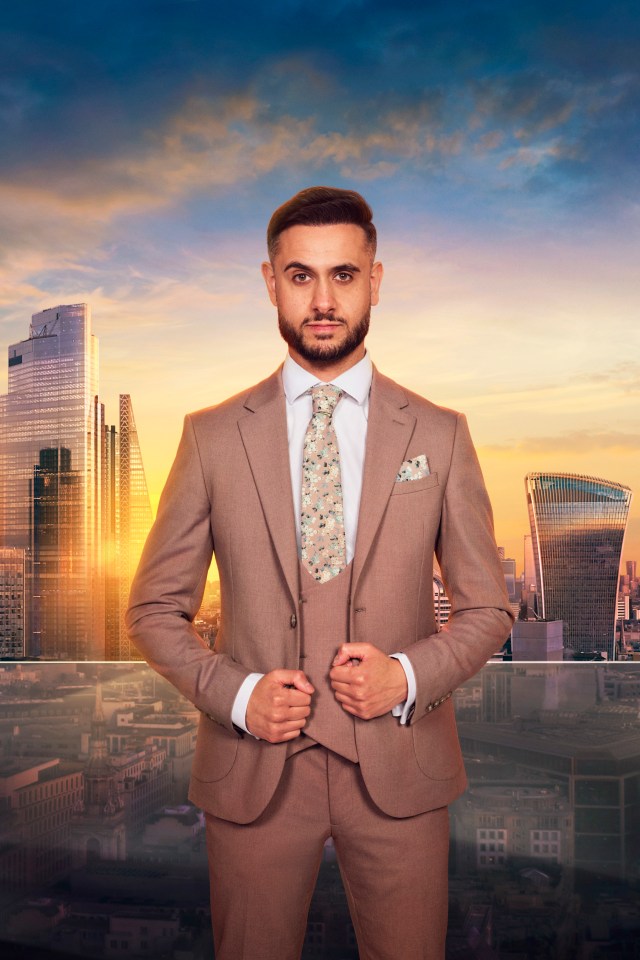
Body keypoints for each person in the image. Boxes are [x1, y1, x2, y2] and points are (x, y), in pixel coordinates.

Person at [126, 186, 513, 960]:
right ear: (271, 283)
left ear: (376, 279)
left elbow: (488, 610)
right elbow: (150, 611)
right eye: (302, 276)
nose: (324, 299)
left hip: (402, 774)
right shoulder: (209, 438)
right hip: (254, 773)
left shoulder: (441, 433)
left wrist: (406, 675)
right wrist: (238, 695)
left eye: (344, 275)